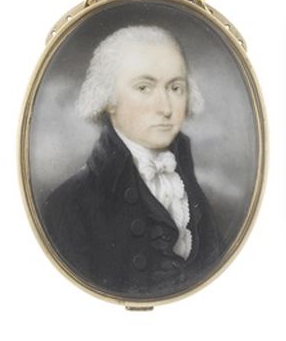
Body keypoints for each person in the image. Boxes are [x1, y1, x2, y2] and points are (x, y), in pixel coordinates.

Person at [41, 25, 226, 299]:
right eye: (144, 88)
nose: (166, 108)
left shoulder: (188, 186)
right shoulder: (68, 205)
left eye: (176, 88)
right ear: (109, 99)